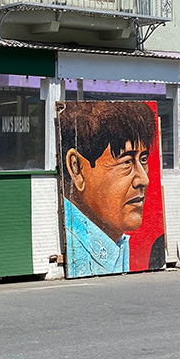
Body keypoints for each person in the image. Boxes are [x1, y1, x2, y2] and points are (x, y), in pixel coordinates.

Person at [58, 101, 158, 277]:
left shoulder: (113, 240)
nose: (144, 180)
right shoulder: (74, 247)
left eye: (143, 159)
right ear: (77, 168)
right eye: (127, 161)